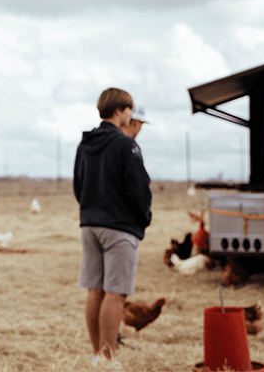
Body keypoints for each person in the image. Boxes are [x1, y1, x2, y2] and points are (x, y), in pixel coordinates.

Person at [73, 88, 152, 366]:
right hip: (119, 227)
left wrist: (91, 211)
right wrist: (142, 219)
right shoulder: (126, 144)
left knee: (95, 290)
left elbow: (78, 186)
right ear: (119, 111)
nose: (131, 116)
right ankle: (109, 357)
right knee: (115, 293)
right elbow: (139, 190)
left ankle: (97, 354)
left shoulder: (85, 144)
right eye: (129, 110)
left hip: (90, 225)